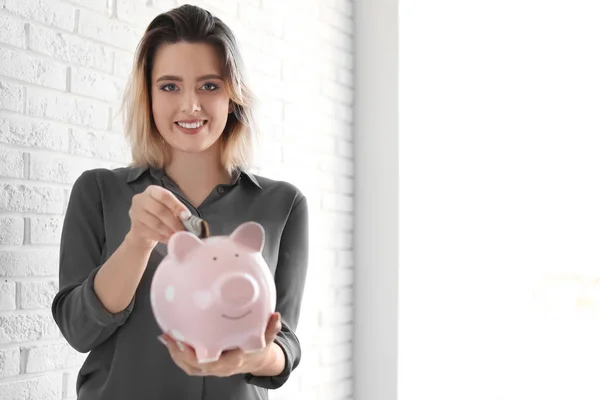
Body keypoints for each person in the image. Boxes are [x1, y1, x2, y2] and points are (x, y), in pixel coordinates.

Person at [51, 4, 309, 400]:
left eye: (209, 85)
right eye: (170, 86)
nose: (191, 105)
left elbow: (283, 341)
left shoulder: (283, 204)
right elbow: (79, 331)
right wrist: (137, 242)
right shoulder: (98, 192)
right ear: (149, 96)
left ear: (233, 95)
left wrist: (251, 359)